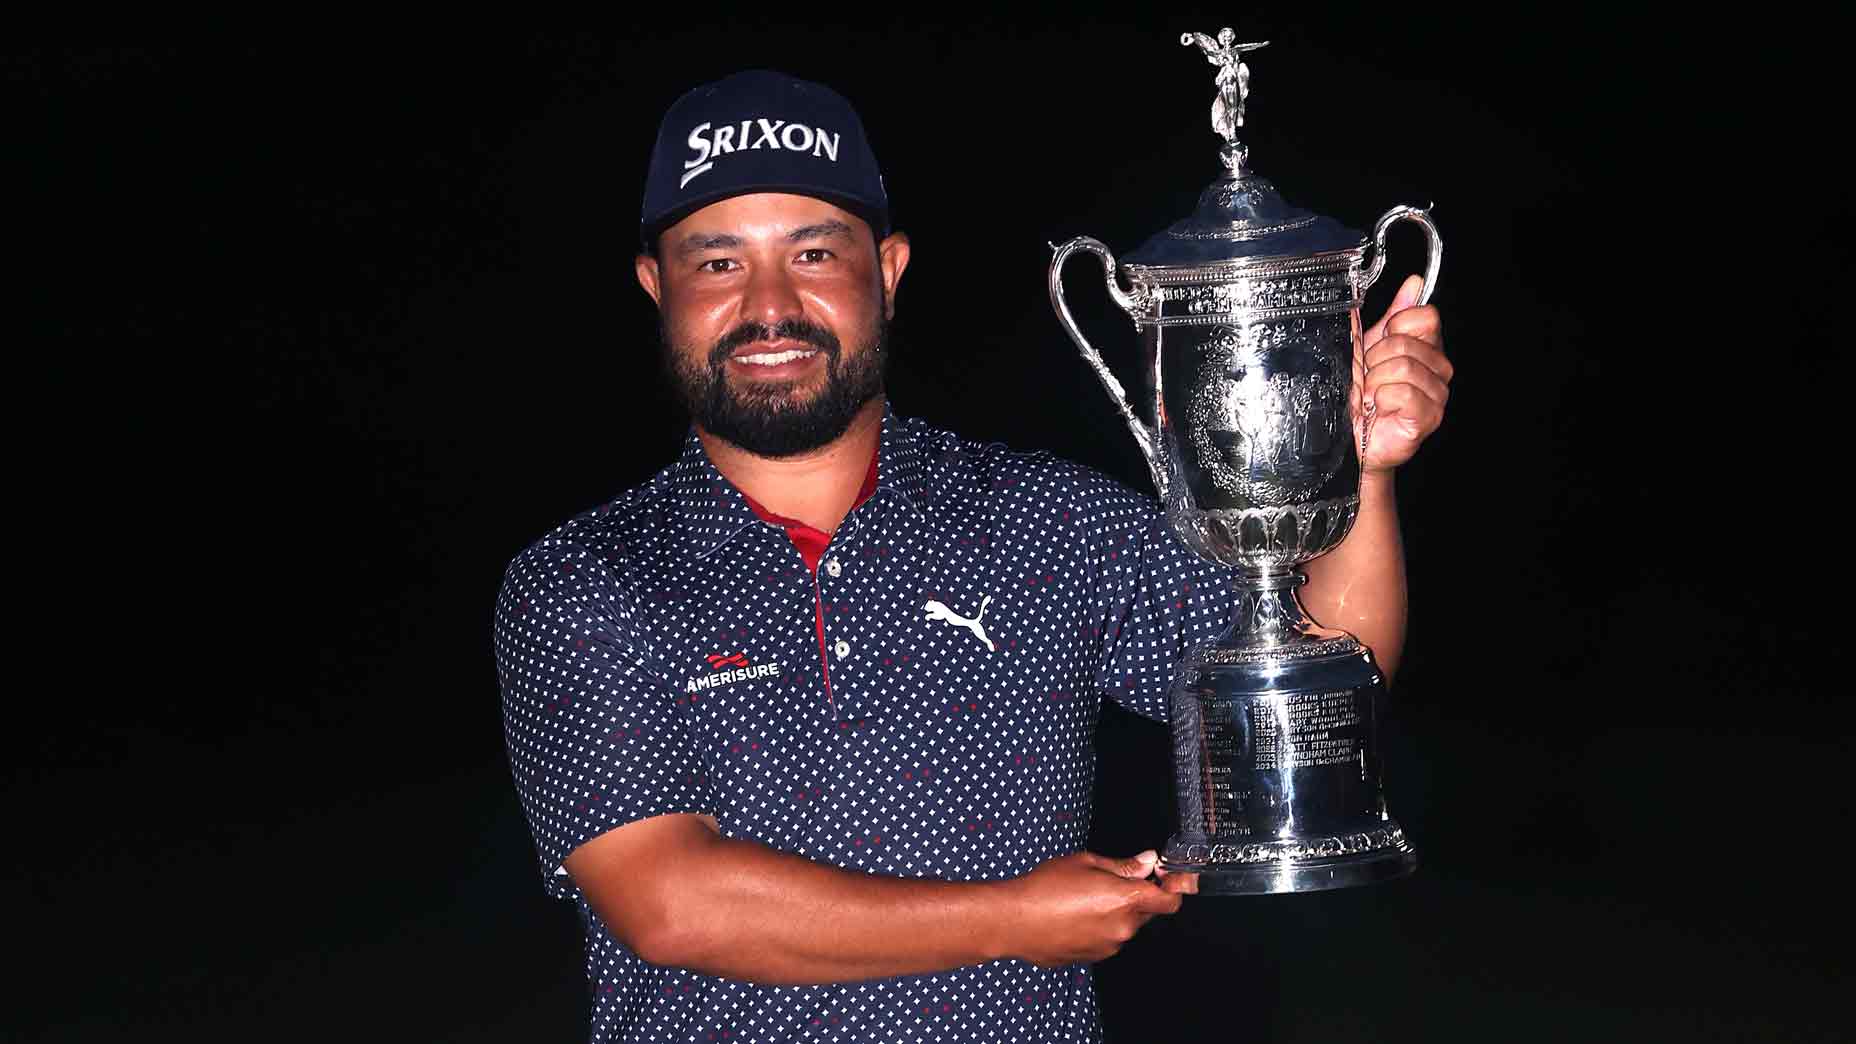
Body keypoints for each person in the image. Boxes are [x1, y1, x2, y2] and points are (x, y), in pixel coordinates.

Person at [494, 69, 1450, 1044]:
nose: (769, 306)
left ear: (889, 269)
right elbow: (667, 903)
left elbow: (1327, 678)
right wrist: (1012, 920)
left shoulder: (1040, 521)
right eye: (717, 263)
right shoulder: (581, 577)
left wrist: (1359, 473)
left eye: (814, 252)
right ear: (658, 287)